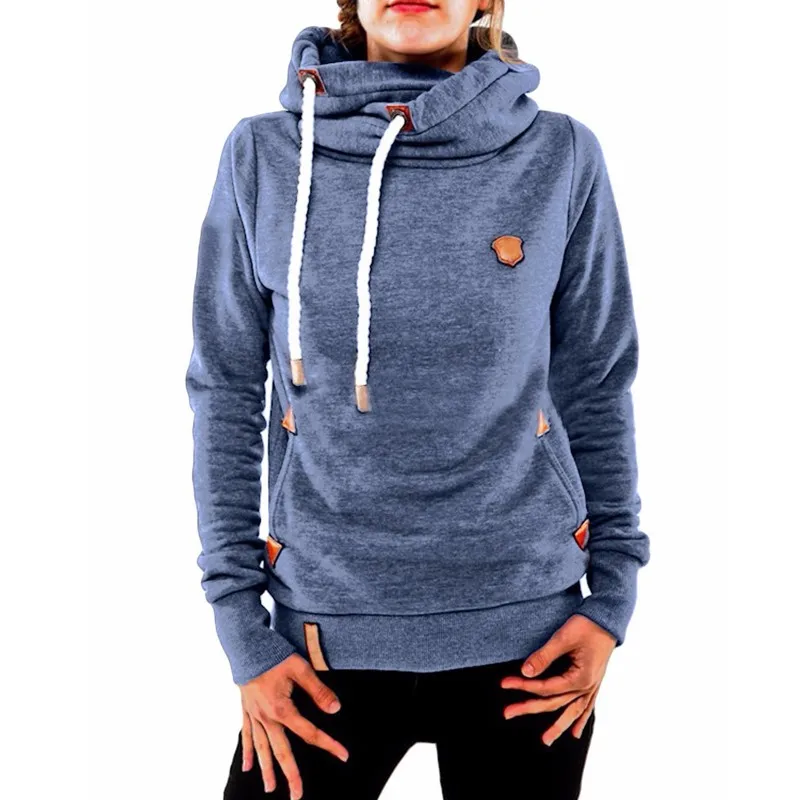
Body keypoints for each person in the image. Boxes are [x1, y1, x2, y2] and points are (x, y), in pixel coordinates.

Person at [186, 2, 651, 798]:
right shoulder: (263, 154)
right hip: (319, 640)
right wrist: (239, 623)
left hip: (530, 643)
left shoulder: (560, 153)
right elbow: (225, 386)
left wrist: (612, 595)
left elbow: (597, 380)